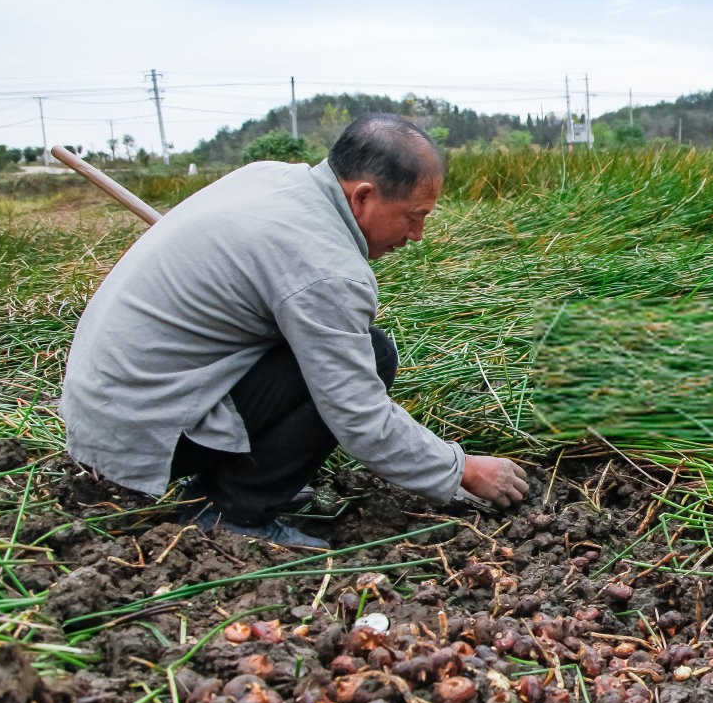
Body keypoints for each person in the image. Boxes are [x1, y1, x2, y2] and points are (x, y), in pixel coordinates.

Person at [61, 113, 528, 548]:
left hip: (107, 412)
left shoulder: (269, 177)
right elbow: (359, 418)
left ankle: (224, 480)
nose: (417, 235)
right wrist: (461, 468)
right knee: (374, 356)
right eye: (413, 216)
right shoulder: (325, 268)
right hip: (140, 434)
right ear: (363, 196)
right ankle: (235, 513)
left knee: (344, 353)